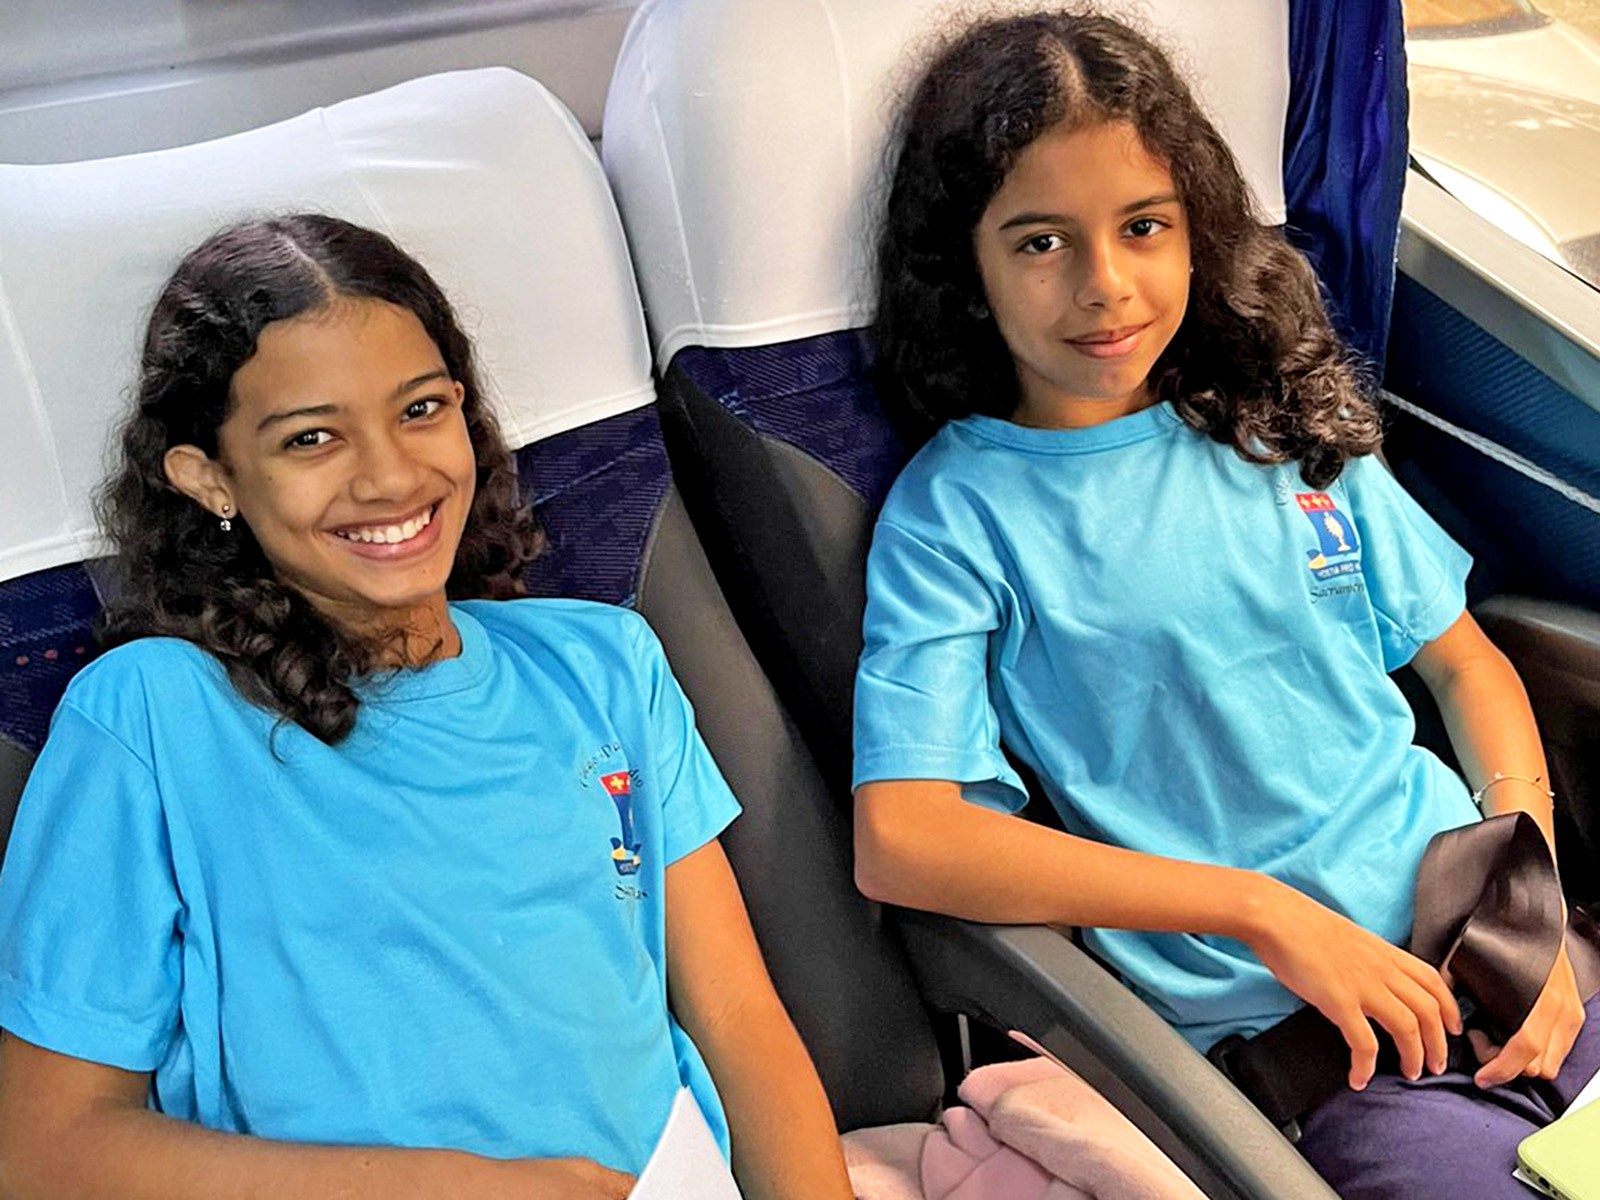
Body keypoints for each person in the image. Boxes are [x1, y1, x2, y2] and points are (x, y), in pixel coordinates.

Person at [852, 13, 1597, 1198]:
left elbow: (1465, 666)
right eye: (1040, 242)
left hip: (1501, 940)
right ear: (966, 268)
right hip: (1321, 1046)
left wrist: (1530, 893)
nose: (1105, 285)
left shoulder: (1276, 425)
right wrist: (1257, 911)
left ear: (1196, 228)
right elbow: (904, 837)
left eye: (1142, 227)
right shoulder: (957, 514)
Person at [0, 215, 854, 1200]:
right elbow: (43, 1147)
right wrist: (458, 1186)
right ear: (211, 479)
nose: (391, 476)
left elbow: (739, 1022)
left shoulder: (603, 665)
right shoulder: (149, 717)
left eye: (419, 409)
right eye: (311, 438)